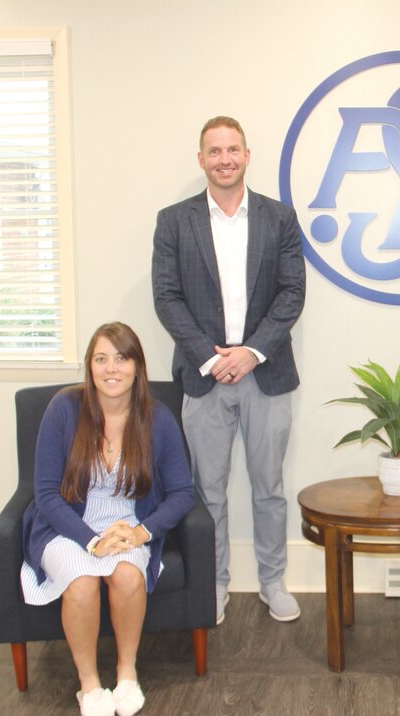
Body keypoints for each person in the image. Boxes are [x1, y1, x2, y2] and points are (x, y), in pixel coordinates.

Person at [152, 116, 306, 626]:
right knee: (208, 492)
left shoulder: (279, 218)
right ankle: (213, 584)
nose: (224, 159)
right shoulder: (174, 221)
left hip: (266, 373)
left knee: (270, 487)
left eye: (232, 149)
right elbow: (167, 298)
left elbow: (292, 294)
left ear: (246, 154)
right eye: (214, 151)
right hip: (204, 376)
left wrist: (252, 352)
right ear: (201, 159)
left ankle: (272, 581)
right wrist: (213, 357)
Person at [20, 323, 195, 716]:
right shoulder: (64, 409)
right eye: (101, 359)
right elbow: (46, 495)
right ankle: (89, 683)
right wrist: (90, 541)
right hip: (66, 525)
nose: (111, 368)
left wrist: (140, 533)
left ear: (137, 366)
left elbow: (183, 493)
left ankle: (127, 674)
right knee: (81, 584)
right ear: (90, 367)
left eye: (121, 358)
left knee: (129, 578)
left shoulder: (157, 418)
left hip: (126, 524)